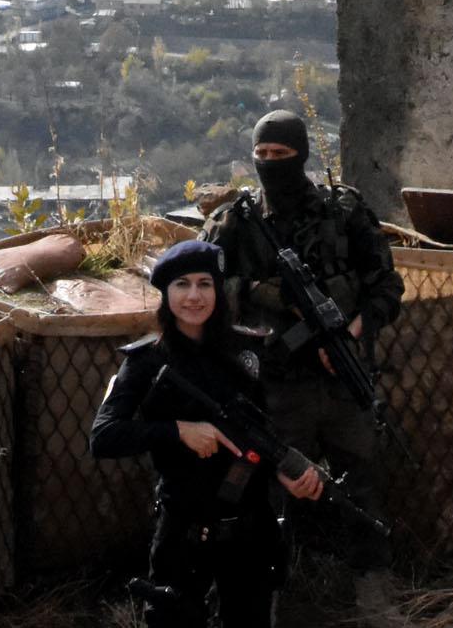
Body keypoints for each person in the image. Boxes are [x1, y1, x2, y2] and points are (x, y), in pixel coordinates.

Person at [204, 111, 402, 591]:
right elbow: (200, 289)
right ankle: (265, 594)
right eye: (262, 155)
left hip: (340, 382)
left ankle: (372, 587)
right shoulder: (234, 220)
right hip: (273, 386)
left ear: (302, 156)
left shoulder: (345, 212)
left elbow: (388, 287)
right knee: (269, 495)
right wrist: (265, 293)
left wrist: (352, 331)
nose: (271, 163)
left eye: (282, 155)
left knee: (363, 484)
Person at [90, 240, 321, 628]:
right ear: (166, 294)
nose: (194, 296)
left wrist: (282, 470)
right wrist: (178, 431)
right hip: (184, 530)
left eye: (204, 284)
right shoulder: (146, 362)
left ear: (218, 290)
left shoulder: (246, 352)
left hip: (249, 530)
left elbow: (259, 433)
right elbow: (103, 436)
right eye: (182, 285)